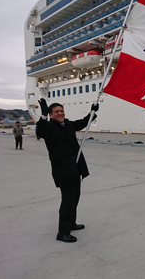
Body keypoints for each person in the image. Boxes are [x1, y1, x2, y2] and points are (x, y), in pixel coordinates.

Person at [36, 98, 98, 243]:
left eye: (62, 111)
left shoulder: (68, 124)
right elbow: (40, 131)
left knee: (75, 198)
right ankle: (62, 232)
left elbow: (83, 122)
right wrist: (43, 114)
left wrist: (92, 111)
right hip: (63, 170)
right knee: (68, 201)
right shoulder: (49, 127)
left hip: (75, 167)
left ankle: (71, 223)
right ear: (51, 115)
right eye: (56, 111)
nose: (60, 113)